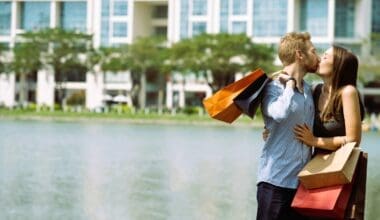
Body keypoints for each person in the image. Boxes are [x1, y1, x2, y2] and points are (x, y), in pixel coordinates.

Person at [263, 45, 365, 219]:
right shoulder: (316, 90)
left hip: (339, 171)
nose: (319, 58)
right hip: (314, 169)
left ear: (338, 65)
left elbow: (354, 139)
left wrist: (314, 141)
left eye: (325, 57)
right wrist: (272, 129)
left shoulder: (347, 92)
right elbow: (294, 112)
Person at [256, 32, 320, 220]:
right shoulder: (272, 88)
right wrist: (290, 85)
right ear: (300, 55)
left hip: (301, 186)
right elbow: (280, 113)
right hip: (274, 183)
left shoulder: (309, 90)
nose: (316, 56)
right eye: (313, 51)